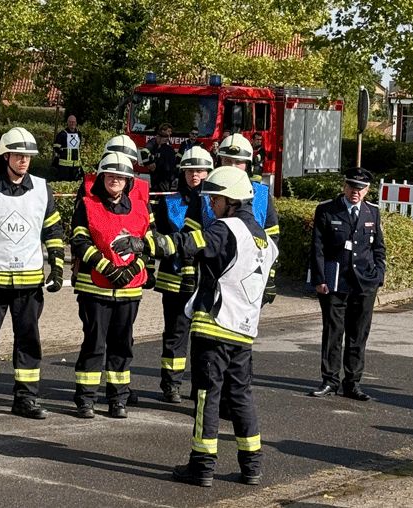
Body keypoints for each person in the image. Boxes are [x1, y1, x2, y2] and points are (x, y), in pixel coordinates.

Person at [113, 166, 278, 487]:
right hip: (244, 330)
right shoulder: (263, 239)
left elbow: (186, 243)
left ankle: (202, 466)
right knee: (241, 396)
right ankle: (252, 466)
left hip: (214, 326)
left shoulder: (225, 229)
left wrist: (142, 245)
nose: (210, 204)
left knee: (207, 397)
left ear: (232, 200)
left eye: (215, 199)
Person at [0, 127, 65, 420]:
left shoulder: (42, 189)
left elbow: (53, 229)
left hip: (29, 281)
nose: (24, 160)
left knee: (29, 342)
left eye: (28, 156)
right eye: (18, 155)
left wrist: (57, 264)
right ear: (5, 156)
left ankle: (26, 400)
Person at [70, 152, 154, 419]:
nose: (115, 179)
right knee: (94, 345)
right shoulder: (87, 205)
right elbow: (79, 242)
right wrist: (108, 269)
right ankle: (86, 400)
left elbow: (150, 245)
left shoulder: (141, 207)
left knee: (122, 346)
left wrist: (131, 271)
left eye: (120, 176)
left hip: (129, 290)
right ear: (102, 177)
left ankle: (118, 399)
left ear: (128, 181)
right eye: (110, 175)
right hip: (95, 290)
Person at [308, 167, 386, 401]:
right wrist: (319, 279)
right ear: (344, 186)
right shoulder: (327, 209)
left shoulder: (372, 212)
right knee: (333, 333)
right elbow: (318, 248)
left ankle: (353, 383)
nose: (356, 192)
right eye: (352, 187)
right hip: (335, 281)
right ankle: (329, 381)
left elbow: (378, 248)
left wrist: (378, 276)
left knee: (358, 335)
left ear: (367, 190)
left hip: (364, 283)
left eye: (361, 188)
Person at [153, 146, 216, 403]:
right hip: (175, 278)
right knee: (175, 334)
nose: (195, 175)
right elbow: (157, 238)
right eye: (190, 170)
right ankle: (171, 384)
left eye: (200, 170)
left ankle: (198, 386)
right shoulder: (168, 202)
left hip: (205, 280)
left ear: (209, 172)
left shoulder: (214, 204)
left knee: (203, 337)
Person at [217, 133, 279, 303]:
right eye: (227, 161)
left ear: (248, 165)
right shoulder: (204, 192)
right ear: (219, 162)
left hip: (248, 277)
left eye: (239, 162)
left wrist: (269, 275)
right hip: (213, 275)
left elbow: (272, 239)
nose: (233, 166)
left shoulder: (262, 195)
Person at [140, 125, 177, 192]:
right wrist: (149, 163)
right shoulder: (153, 143)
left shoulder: (169, 148)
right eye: (169, 131)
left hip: (166, 176)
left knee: (164, 194)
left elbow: (172, 163)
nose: (170, 133)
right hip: (156, 175)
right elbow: (144, 152)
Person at [53, 115, 83, 181]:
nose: (72, 124)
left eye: (73, 122)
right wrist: (63, 152)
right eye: (70, 122)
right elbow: (56, 147)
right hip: (64, 165)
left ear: (76, 123)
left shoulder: (78, 134)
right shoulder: (62, 134)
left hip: (75, 165)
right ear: (67, 123)